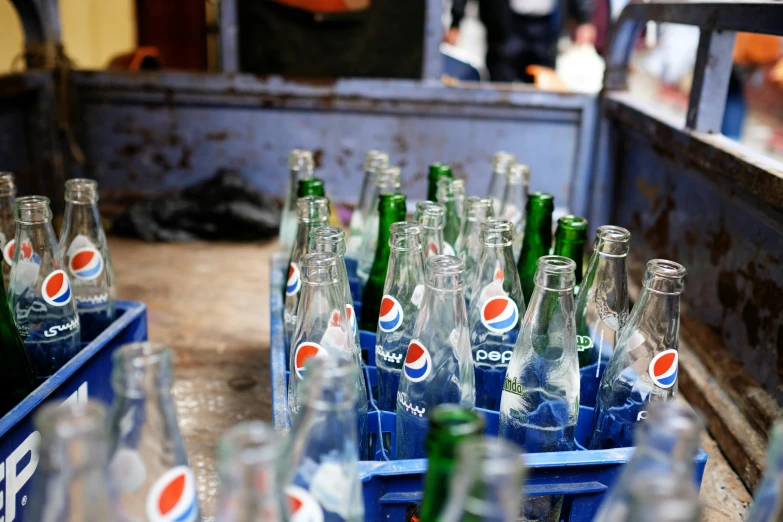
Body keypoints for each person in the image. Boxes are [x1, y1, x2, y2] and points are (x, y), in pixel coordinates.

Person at [446, 0, 596, 83]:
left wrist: (583, 18)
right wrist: (456, 21)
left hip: (545, 30)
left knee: (543, 94)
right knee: (501, 90)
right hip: (504, 28)